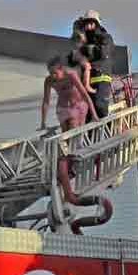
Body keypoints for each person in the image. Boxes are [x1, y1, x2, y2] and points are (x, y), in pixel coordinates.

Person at [40, 56, 99, 205]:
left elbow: (85, 94)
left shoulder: (71, 75)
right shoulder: (49, 81)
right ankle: (66, 165)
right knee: (65, 138)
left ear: (61, 69)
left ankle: (71, 163)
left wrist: (94, 115)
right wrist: (43, 122)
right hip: (63, 108)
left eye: (55, 73)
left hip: (77, 106)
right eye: (50, 73)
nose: (53, 76)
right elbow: (46, 101)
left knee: (73, 133)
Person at [69, 10, 115, 122]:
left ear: (97, 24)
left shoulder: (106, 38)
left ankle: (107, 133)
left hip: (102, 78)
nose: (88, 26)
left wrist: (85, 50)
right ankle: (90, 137)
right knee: (88, 112)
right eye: (86, 24)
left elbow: (103, 53)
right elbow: (72, 58)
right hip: (87, 81)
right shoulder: (82, 40)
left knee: (100, 106)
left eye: (91, 23)